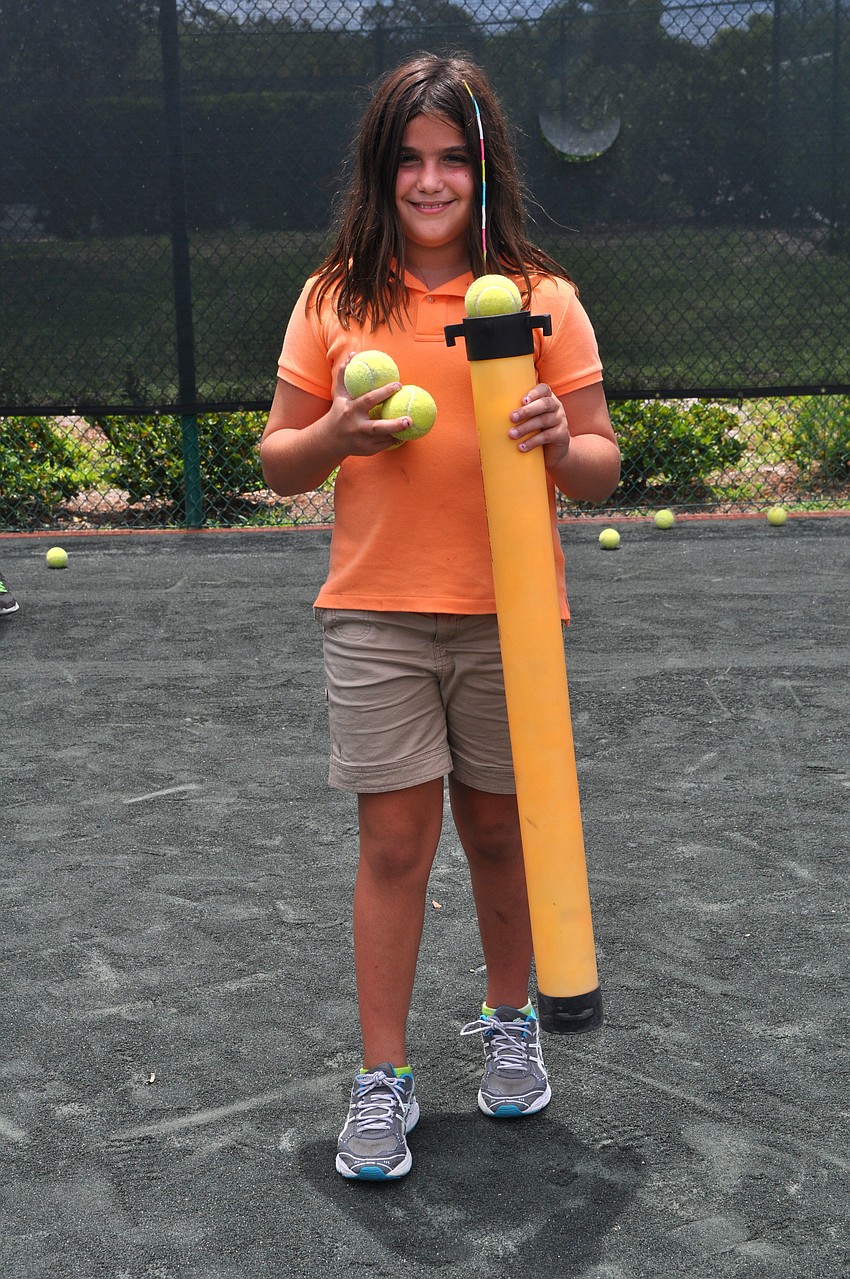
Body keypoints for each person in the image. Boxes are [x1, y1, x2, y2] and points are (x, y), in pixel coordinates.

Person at [261, 52, 620, 1181]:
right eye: (409, 161)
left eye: (450, 160)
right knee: (394, 845)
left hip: (509, 619)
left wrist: (564, 443)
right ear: (381, 172)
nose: (430, 181)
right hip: (373, 614)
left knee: (502, 836)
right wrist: (338, 439)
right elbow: (278, 459)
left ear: (483, 169)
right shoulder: (334, 299)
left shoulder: (539, 300)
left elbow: (602, 467)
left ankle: (509, 1024)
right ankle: (381, 1080)